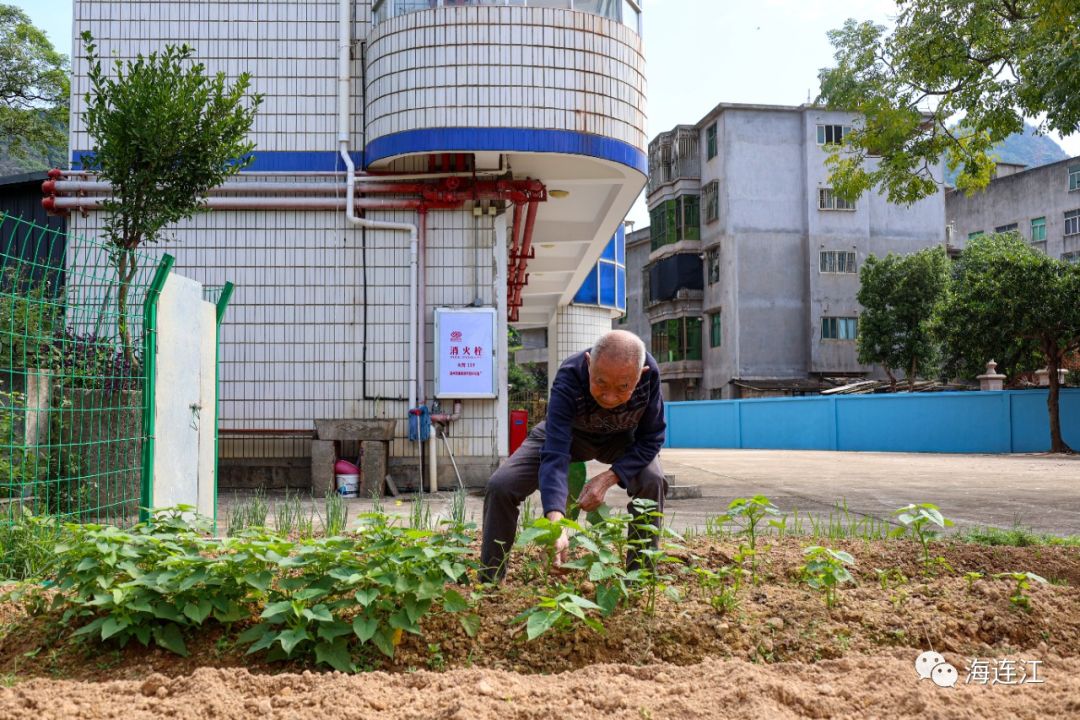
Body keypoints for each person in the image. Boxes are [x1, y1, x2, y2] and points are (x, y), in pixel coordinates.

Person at [480, 329, 667, 582]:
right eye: (600, 383)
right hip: (567, 437)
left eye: (623, 387)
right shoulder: (569, 375)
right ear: (589, 364)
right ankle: (490, 580)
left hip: (622, 440)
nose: (609, 397)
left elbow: (652, 438)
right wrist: (556, 524)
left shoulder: (650, 374)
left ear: (640, 375)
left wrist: (609, 478)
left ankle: (640, 578)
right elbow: (555, 454)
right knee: (501, 485)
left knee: (652, 480)